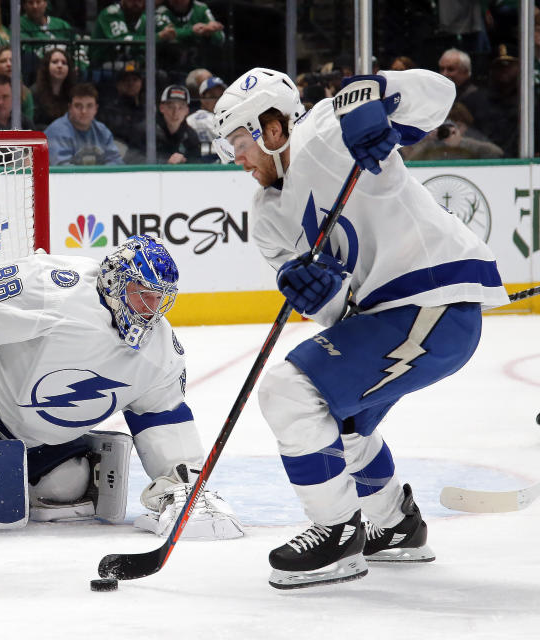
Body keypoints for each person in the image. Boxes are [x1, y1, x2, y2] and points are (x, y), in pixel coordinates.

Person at [213, 67, 509, 588]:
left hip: (433, 297)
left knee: (289, 390)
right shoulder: (266, 215)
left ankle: (335, 532)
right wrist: (316, 292)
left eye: (241, 140)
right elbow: (337, 313)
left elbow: (439, 96)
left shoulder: (327, 128)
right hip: (394, 315)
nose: (236, 157)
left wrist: (374, 96)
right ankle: (395, 525)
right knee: (337, 423)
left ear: (273, 128)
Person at [0, 235, 243, 540]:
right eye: (143, 295)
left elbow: (163, 416)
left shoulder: (161, 353)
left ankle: (9, 476)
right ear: (117, 282)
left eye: (160, 300)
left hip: (33, 440)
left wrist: (181, 484)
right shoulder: (58, 287)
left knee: (65, 485)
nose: (151, 310)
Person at [44, 82, 123, 166]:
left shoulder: (102, 131)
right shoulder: (57, 131)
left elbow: (116, 162)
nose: (84, 111)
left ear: (96, 109)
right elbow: (63, 170)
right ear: (70, 108)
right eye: (78, 106)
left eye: (89, 106)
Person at [156, 0, 225, 72]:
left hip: (198, 67)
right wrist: (193, 31)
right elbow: (168, 34)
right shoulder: (160, 10)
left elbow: (220, 38)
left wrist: (209, 32)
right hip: (168, 68)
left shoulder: (201, 8)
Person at [101, 64, 145, 163]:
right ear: (118, 85)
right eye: (126, 80)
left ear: (141, 83)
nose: (131, 83)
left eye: (134, 79)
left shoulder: (148, 110)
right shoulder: (108, 111)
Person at [155, 84, 202, 164]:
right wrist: (166, 162)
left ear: (187, 111)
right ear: (161, 108)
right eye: (170, 107)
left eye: (181, 108)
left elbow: (197, 162)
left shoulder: (191, 136)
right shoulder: (147, 132)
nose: (175, 113)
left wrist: (185, 161)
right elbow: (134, 158)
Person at [31, 47, 75, 130]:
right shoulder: (35, 92)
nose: (60, 66)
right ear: (46, 66)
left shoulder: (73, 92)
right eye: (55, 62)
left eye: (64, 63)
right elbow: (32, 124)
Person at [186, 76, 225, 160]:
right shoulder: (197, 118)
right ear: (202, 98)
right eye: (213, 96)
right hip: (200, 167)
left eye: (221, 96)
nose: (218, 100)